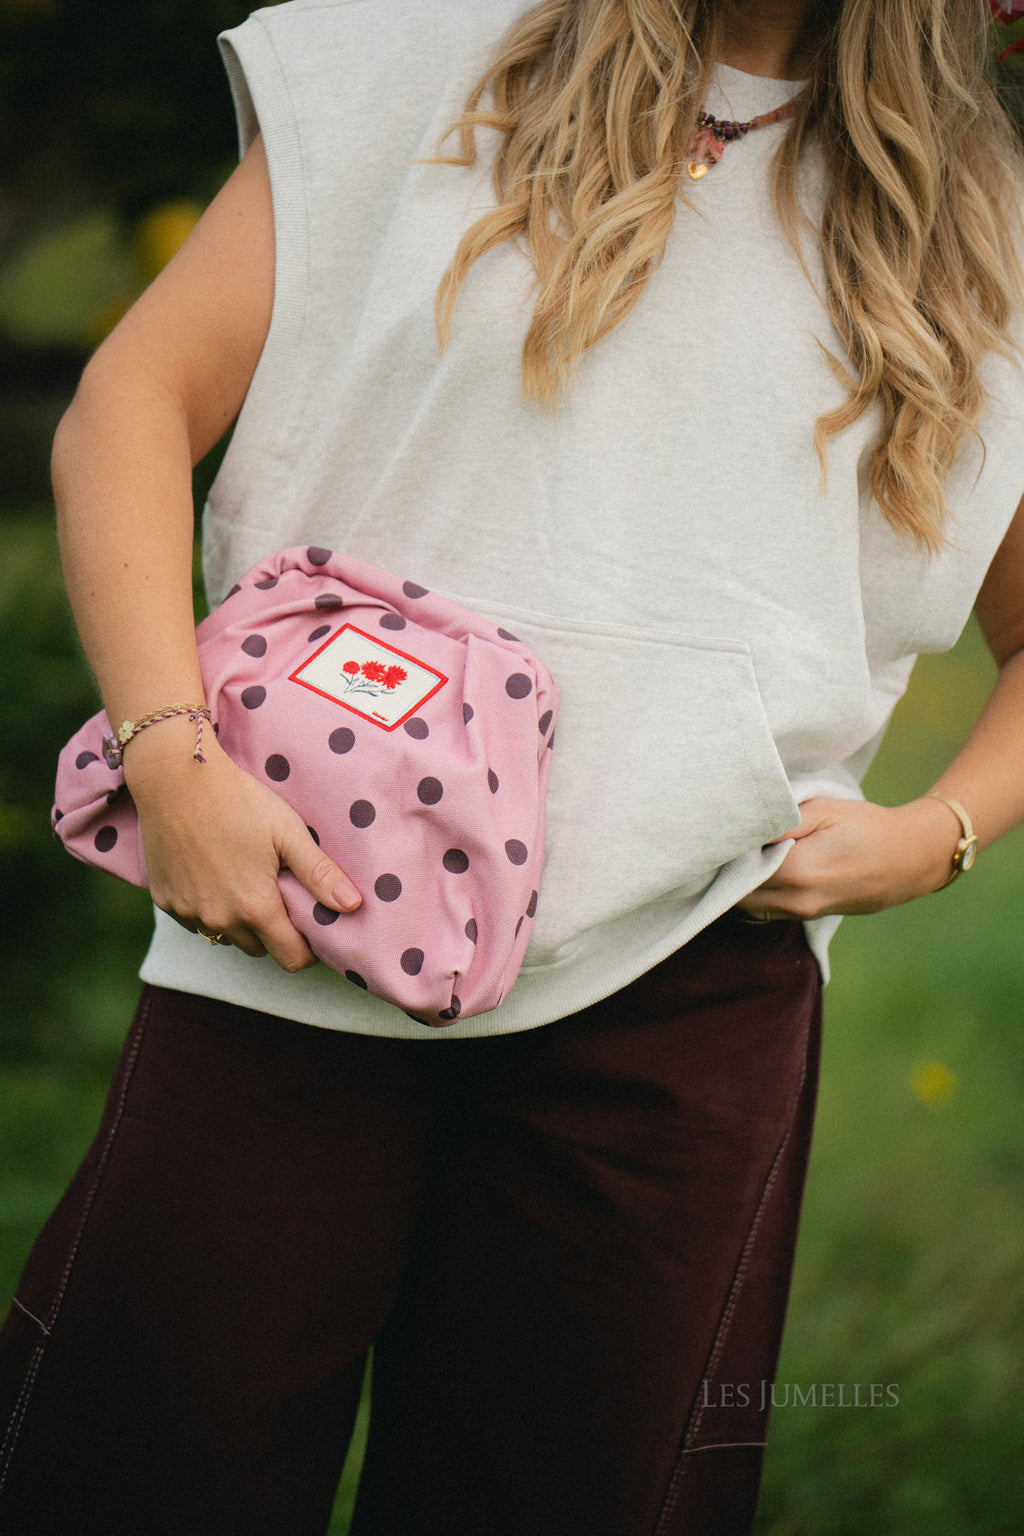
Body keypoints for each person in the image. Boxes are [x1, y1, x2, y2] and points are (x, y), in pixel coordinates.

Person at [3, 0, 1024, 1531]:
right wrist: (173, 761)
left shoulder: (978, 225)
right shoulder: (405, 57)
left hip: (689, 993)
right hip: (296, 924)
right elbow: (129, 407)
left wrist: (937, 831)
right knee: (131, 1474)